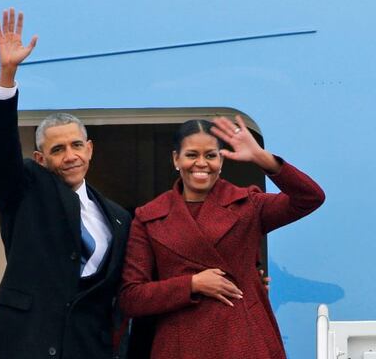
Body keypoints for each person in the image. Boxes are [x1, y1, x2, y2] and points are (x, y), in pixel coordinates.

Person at [0, 8, 131, 359]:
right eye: (57, 149)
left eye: (77, 145)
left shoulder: (120, 218)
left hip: (87, 348)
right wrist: (7, 77)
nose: (70, 155)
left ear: (90, 150)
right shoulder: (27, 189)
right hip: (22, 344)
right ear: (41, 159)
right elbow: (2, 154)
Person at [119, 116, 325, 358]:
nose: (201, 163)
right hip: (180, 346)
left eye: (210, 155)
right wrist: (193, 284)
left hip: (244, 341)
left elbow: (310, 198)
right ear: (176, 159)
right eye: (191, 154)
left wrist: (261, 157)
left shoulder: (248, 204)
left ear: (221, 160)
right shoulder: (149, 217)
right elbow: (131, 298)